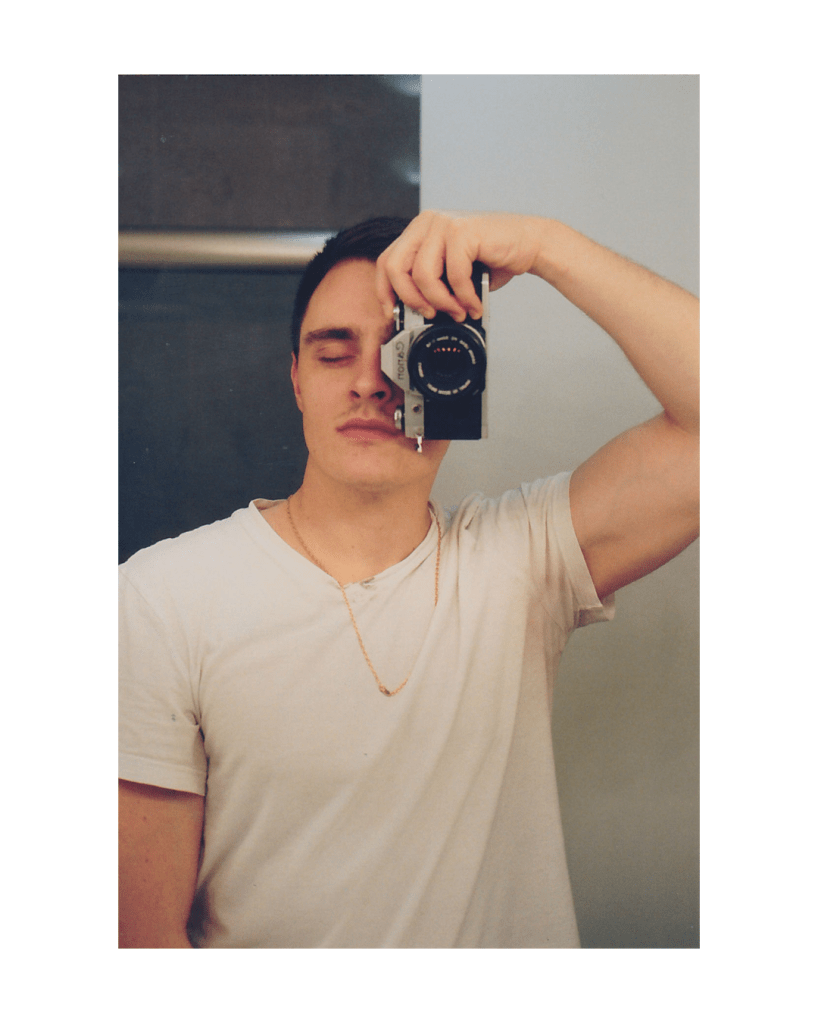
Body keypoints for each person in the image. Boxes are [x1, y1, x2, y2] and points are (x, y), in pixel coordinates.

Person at [118, 211, 699, 948]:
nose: (372, 382)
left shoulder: (522, 560)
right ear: (296, 380)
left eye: (409, 356)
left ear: (466, 376)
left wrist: (545, 245)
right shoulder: (162, 596)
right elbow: (144, 945)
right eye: (335, 355)